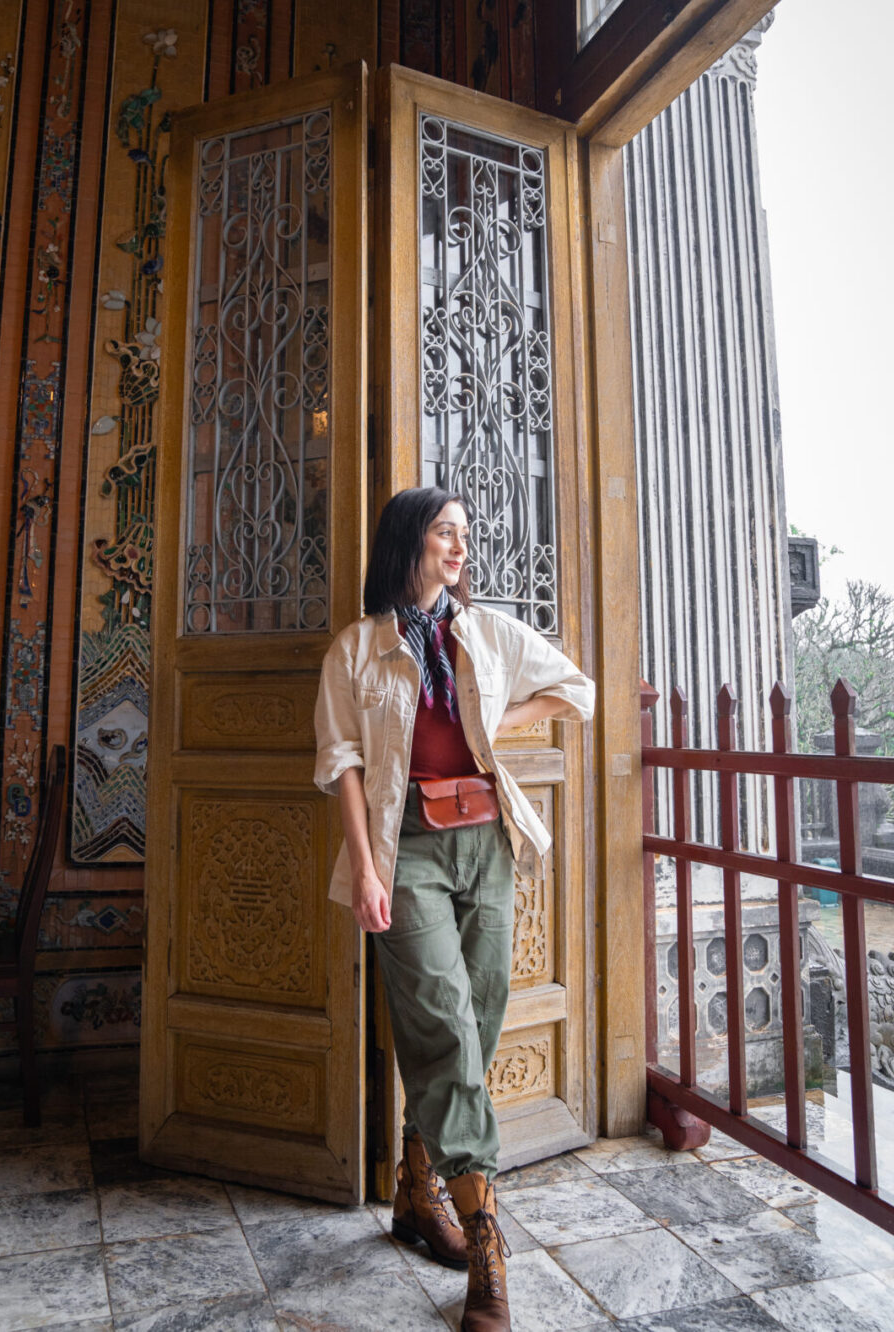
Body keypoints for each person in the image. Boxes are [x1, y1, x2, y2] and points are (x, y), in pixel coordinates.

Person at [314, 486, 594, 1332]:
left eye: (464, 536)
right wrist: (364, 871)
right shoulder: (358, 650)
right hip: (407, 852)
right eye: (445, 534)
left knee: (475, 1019)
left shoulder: (485, 630)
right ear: (408, 542)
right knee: (440, 1023)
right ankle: (485, 1238)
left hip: (488, 844)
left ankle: (412, 1189)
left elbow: (576, 689)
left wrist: (501, 717)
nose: (459, 549)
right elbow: (345, 770)